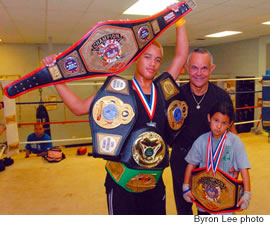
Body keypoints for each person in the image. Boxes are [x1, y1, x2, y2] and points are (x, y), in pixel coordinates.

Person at [42, 4, 188, 215]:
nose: (153, 64)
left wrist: (180, 19)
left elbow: (181, 56)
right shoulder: (119, 92)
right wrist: (55, 77)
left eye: (157, 59)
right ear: (136, 58)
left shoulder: (162, 90)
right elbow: (78, 107)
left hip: (154, 184)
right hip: (121, 184)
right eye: (147, 57)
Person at [170, 48, 237, 215]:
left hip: (212, 163)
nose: (199, 73)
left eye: (204, 68)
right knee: (183, 211)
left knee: (210, 209)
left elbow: (232, 130)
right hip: (182, 160)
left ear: (212, 69)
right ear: (186, 68)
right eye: (194, 68)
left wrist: (235, 160)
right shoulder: (176, 96)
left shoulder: (221, 97)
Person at [182, 101, 251, 215]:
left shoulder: (235, 142)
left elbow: (244, 168)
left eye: (224, 123)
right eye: (216, 120)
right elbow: (191, 164)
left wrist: (247, 193)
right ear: (209, 118)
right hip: (203, 198)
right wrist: (186, 187)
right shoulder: (201, 140)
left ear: (230, 124)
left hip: (226, 200)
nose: (218, 126)